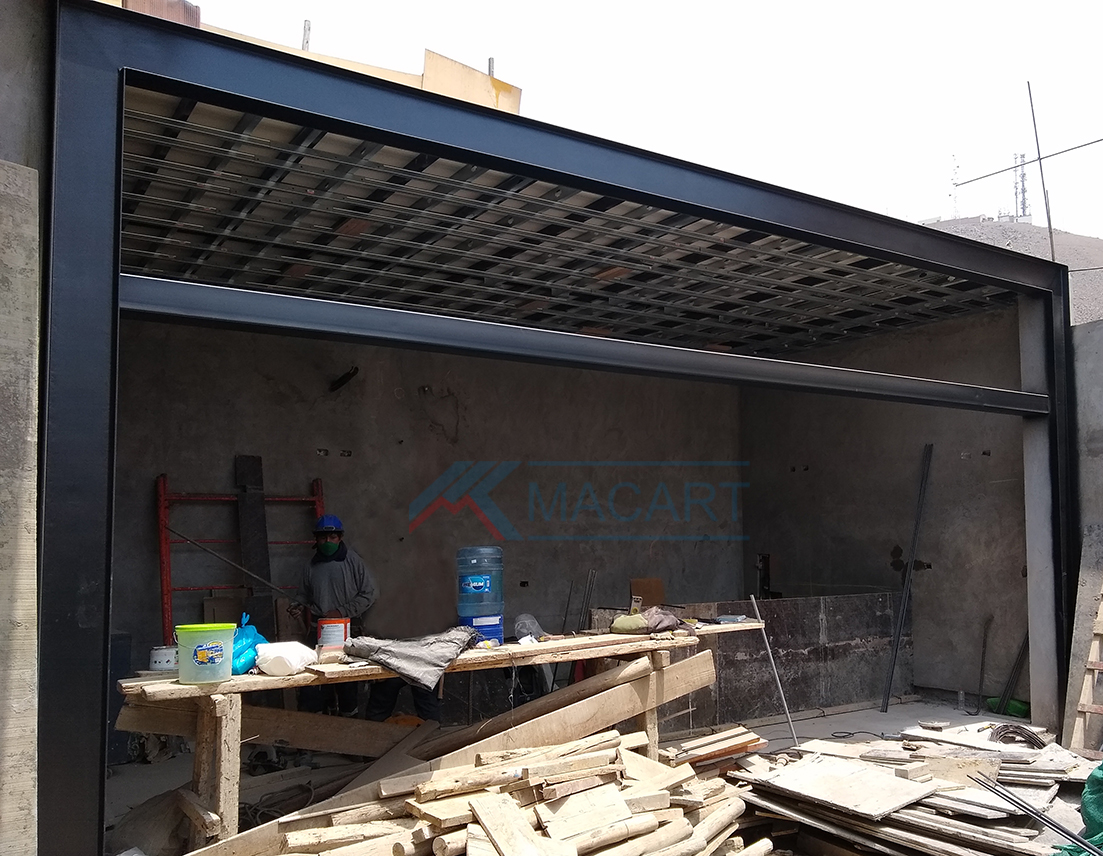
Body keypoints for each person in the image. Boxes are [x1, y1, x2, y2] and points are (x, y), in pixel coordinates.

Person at [292, 514, 376, 717]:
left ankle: (349, 727)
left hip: (348, 631)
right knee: (313, 683)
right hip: (319, 632)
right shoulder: (310, 566)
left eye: (332, 537)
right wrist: (297, 605)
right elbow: (303, 595)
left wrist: (340, 612)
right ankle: (320, 726)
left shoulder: (354, 562)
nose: (327, 542)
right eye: (323, 538)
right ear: (316, 539)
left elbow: (369, 594)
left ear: (340, 537)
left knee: (347, 685)